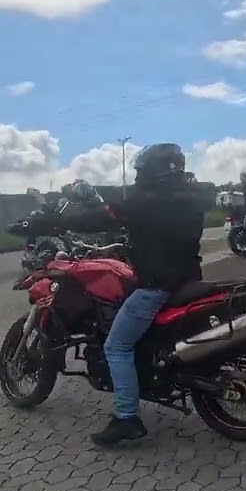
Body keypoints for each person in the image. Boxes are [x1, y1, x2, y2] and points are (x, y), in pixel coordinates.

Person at [42, 144, 206, 446]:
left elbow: (101, 216)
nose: (138, 174)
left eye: (142, 169)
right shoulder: (191, 196)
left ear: (154, 170)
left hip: (157, 284)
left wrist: (59, 221)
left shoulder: (145, 200)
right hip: (187, 277)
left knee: (116, 346)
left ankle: (126, 417)